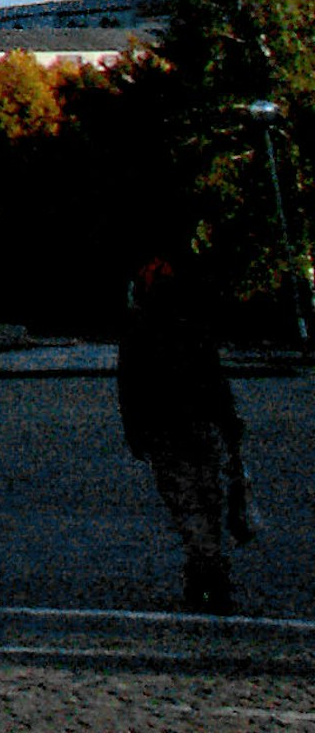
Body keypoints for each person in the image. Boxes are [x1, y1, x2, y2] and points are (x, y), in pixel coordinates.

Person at [120, 258, 251, 613]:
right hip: (199, 427)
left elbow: (130, 388)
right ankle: (208, 578)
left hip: (165, 430)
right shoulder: (192, 325)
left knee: (188, 504)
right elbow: (215, 379)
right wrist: (228, 424)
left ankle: (206, 579)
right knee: (207, 499)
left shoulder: (140, 329)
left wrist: (135, 434)